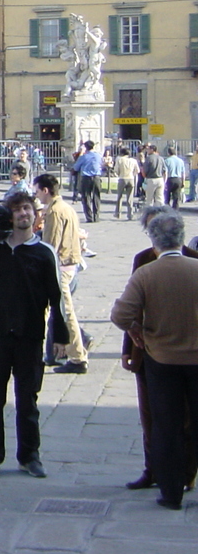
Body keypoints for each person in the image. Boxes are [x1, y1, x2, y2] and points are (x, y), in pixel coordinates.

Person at [0, 192, 68, 479]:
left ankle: (29, 456)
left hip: (29, 335)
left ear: (35, 215)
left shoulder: (43, 252)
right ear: (10, 216)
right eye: (17, 210)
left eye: (27, 209)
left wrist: (60, 336)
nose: (23, 214)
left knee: (27, 399)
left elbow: (57, 298)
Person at [111, 209, 198, 510]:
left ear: (154, 240)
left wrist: (137, 332)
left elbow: (120, 314)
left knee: (166, 426)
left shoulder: (146, 273)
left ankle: (171, 493)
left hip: (161, 359)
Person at [34, 174, 88, 374]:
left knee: (66, 314)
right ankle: (62, 351)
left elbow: (50, 245)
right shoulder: (67, 208)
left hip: (61, 268)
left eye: (38, 191)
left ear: (45, 190)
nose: (37, 195)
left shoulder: (55, 211)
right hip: (70, 264)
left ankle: (77, 356)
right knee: (60, 313)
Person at [74, 140, 103, 222]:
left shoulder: (83, 157)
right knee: (96, 196)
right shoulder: (98, 156)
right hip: (97, 177)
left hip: (86, 177)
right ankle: (96, 216)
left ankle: (89, 217)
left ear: (86, 147)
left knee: (86, 197)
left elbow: (76, 167)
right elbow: (102, 164)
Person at [114, 146, 139, 219]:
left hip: (122, 178)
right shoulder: (133, 160)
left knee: (119, 196)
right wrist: (133, 174)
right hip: (131, 178)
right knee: (130, 198)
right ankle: (130, 214)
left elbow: (116, 170)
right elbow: (137, 170)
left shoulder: (119, 159)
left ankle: (118, 213)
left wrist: (119, 174)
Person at [163, 146, 187, 210]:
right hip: (178, 179)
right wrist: (183, 181)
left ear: (168, 153)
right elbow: (183, 173)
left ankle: (167, 210)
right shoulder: (180, 161)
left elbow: (166, 172)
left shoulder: (167, 161)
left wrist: (164, 182)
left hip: (170, 179)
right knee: (176, 197)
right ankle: (175, 210)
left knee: (167, 196)